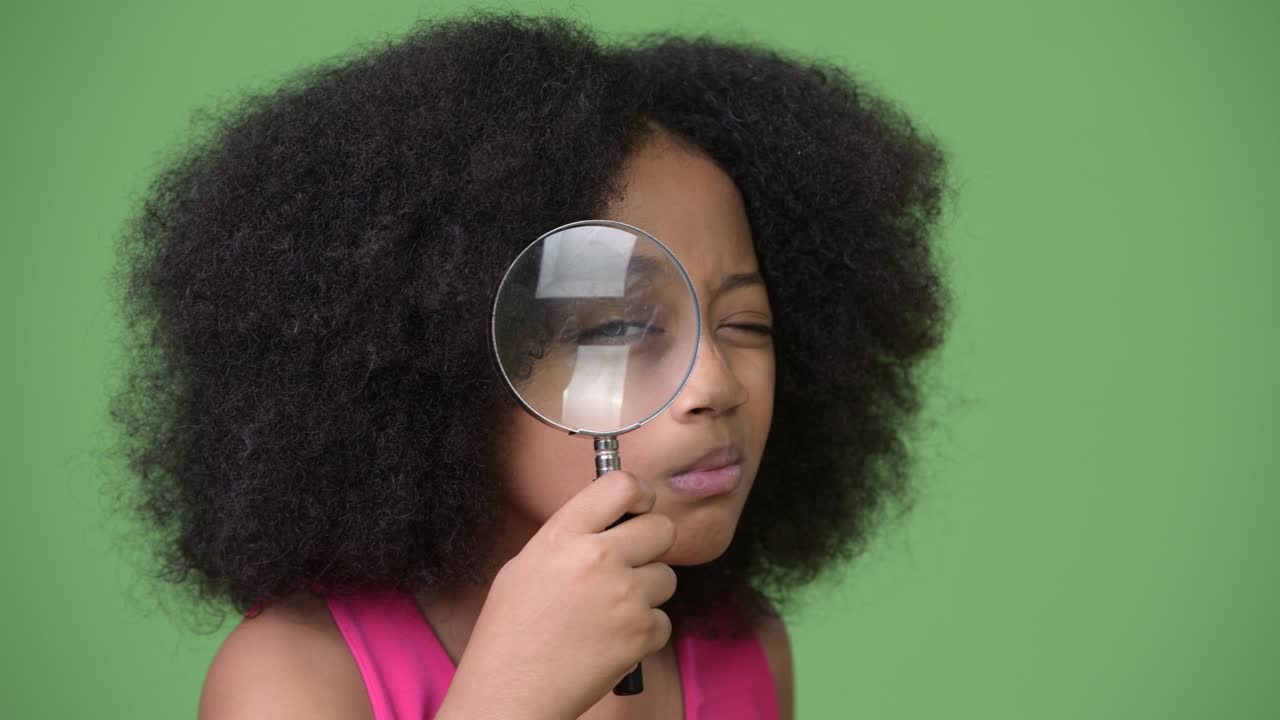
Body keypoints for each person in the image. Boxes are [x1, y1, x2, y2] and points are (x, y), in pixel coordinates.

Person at [111, 10, 949, 720]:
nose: (715, 385)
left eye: (746, 322)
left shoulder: (741, 654)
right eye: (617, 329)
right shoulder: (294, 678)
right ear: (433, 363)